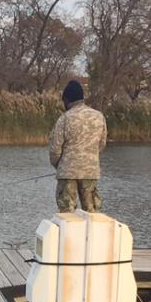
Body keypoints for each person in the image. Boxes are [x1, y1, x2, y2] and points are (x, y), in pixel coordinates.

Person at [48, 79, 107, 212]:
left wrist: (59, 165)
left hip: (67, 173)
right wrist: (90, 158)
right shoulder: (99, 116)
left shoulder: (65, 118)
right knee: (92, 213)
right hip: (90, 172)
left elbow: (55, 150)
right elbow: (102, 144)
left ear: (67, 100)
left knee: (67, 214)